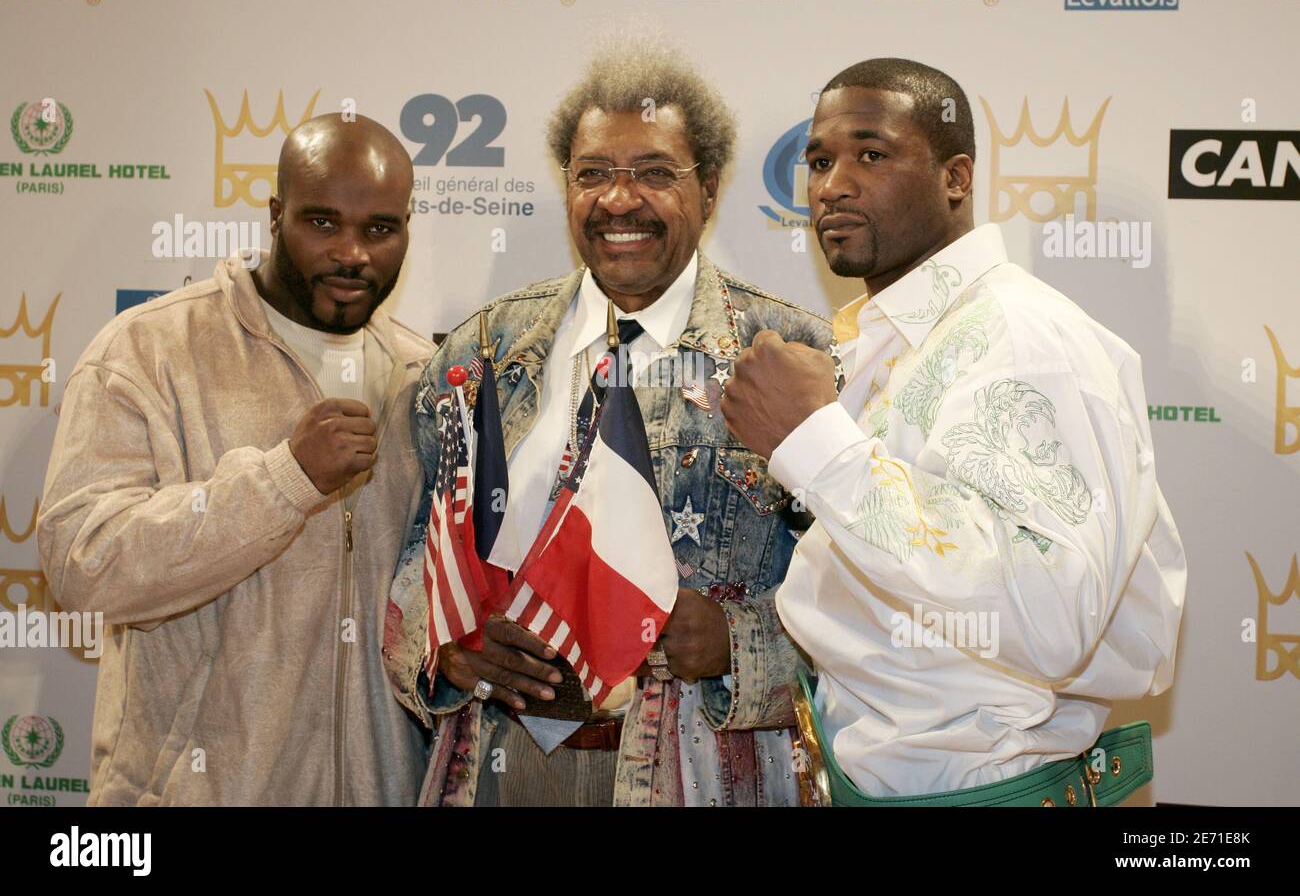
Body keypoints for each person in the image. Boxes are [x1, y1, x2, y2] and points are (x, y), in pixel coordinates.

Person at [722, 58, 1187, 805]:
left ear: (956, 178)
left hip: (989, 788)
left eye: (871, 155)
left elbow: (1053, 615)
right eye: (818, 161)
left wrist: (814, 442)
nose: (831, 184)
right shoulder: (900, 338)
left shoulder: (1023, 338)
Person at [384, 43, 833, 806]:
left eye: (656, 172)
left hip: (706, 773)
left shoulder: (793, 358)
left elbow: (870, 596)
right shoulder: (485, 351)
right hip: (504, 767)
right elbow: (410, 560)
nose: (619, 200)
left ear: (711, 188)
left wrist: (740, 645)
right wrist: (446, 646)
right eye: (593, 173)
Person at [37, 114, 432, 805]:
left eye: (379, 228)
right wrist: (284, 482)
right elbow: (83, 561)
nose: (351, 253)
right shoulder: (149, 351)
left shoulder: (422, 378)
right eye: (321, 222)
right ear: (275, 216)